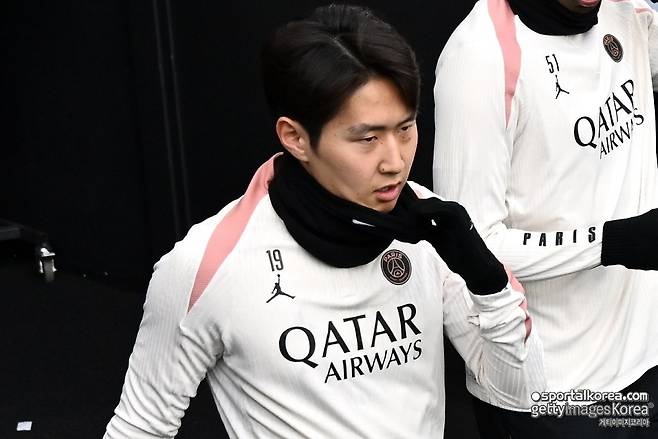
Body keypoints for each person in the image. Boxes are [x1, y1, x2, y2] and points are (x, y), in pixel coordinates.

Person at [104, 4, 544, 438]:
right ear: (295, 137)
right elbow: (139, 428)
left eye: (405, 129)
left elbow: (524, 396)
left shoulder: (430, 225)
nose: (395, 162)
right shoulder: (205, 265)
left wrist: (488, 281)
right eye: (367, 138)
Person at [433, 0, 658, 437]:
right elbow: (468, 246)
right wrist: (614, 243)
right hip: (554, 396)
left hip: (644, 362)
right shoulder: (478, 56)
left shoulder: (625, 11)